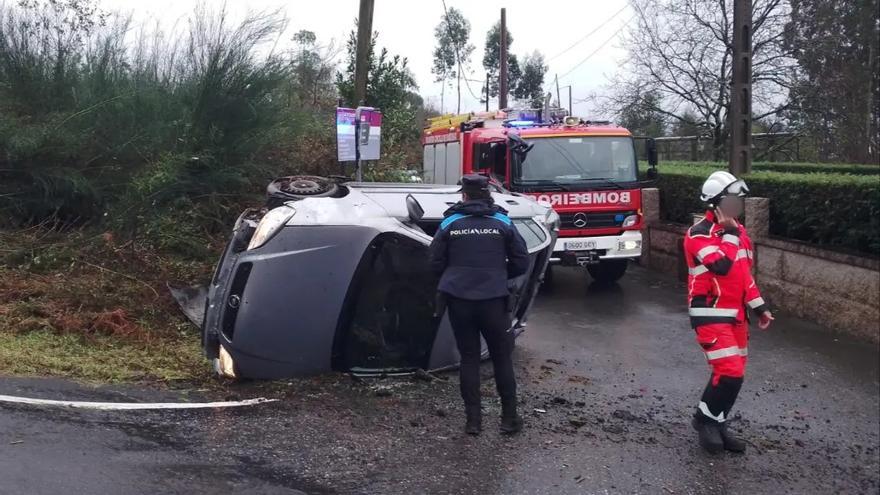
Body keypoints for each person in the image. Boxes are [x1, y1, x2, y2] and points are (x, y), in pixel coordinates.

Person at [429, 174, 530, 435]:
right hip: (494, 301)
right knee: (501, 358)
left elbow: (434, 262)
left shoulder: (451, 222)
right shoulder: (502, 221)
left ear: (464, 195)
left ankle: (473, 422)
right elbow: (521, 261)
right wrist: (497, 275)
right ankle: (509, 420)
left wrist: (455, 275)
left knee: (469, 358)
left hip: (459, 300)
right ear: (488, 194)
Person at [684, 171, 775, 454]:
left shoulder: (740, 233)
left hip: (736, 315)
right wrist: (732, 234)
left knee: (733, 374)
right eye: (732, 200)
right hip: (709, 313)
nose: (738, 206)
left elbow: (743, 275)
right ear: (715, 204)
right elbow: (721, 265)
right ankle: (704, 422)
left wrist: (759, 307)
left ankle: (717, 422)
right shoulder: (698, 234)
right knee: (730, 371)